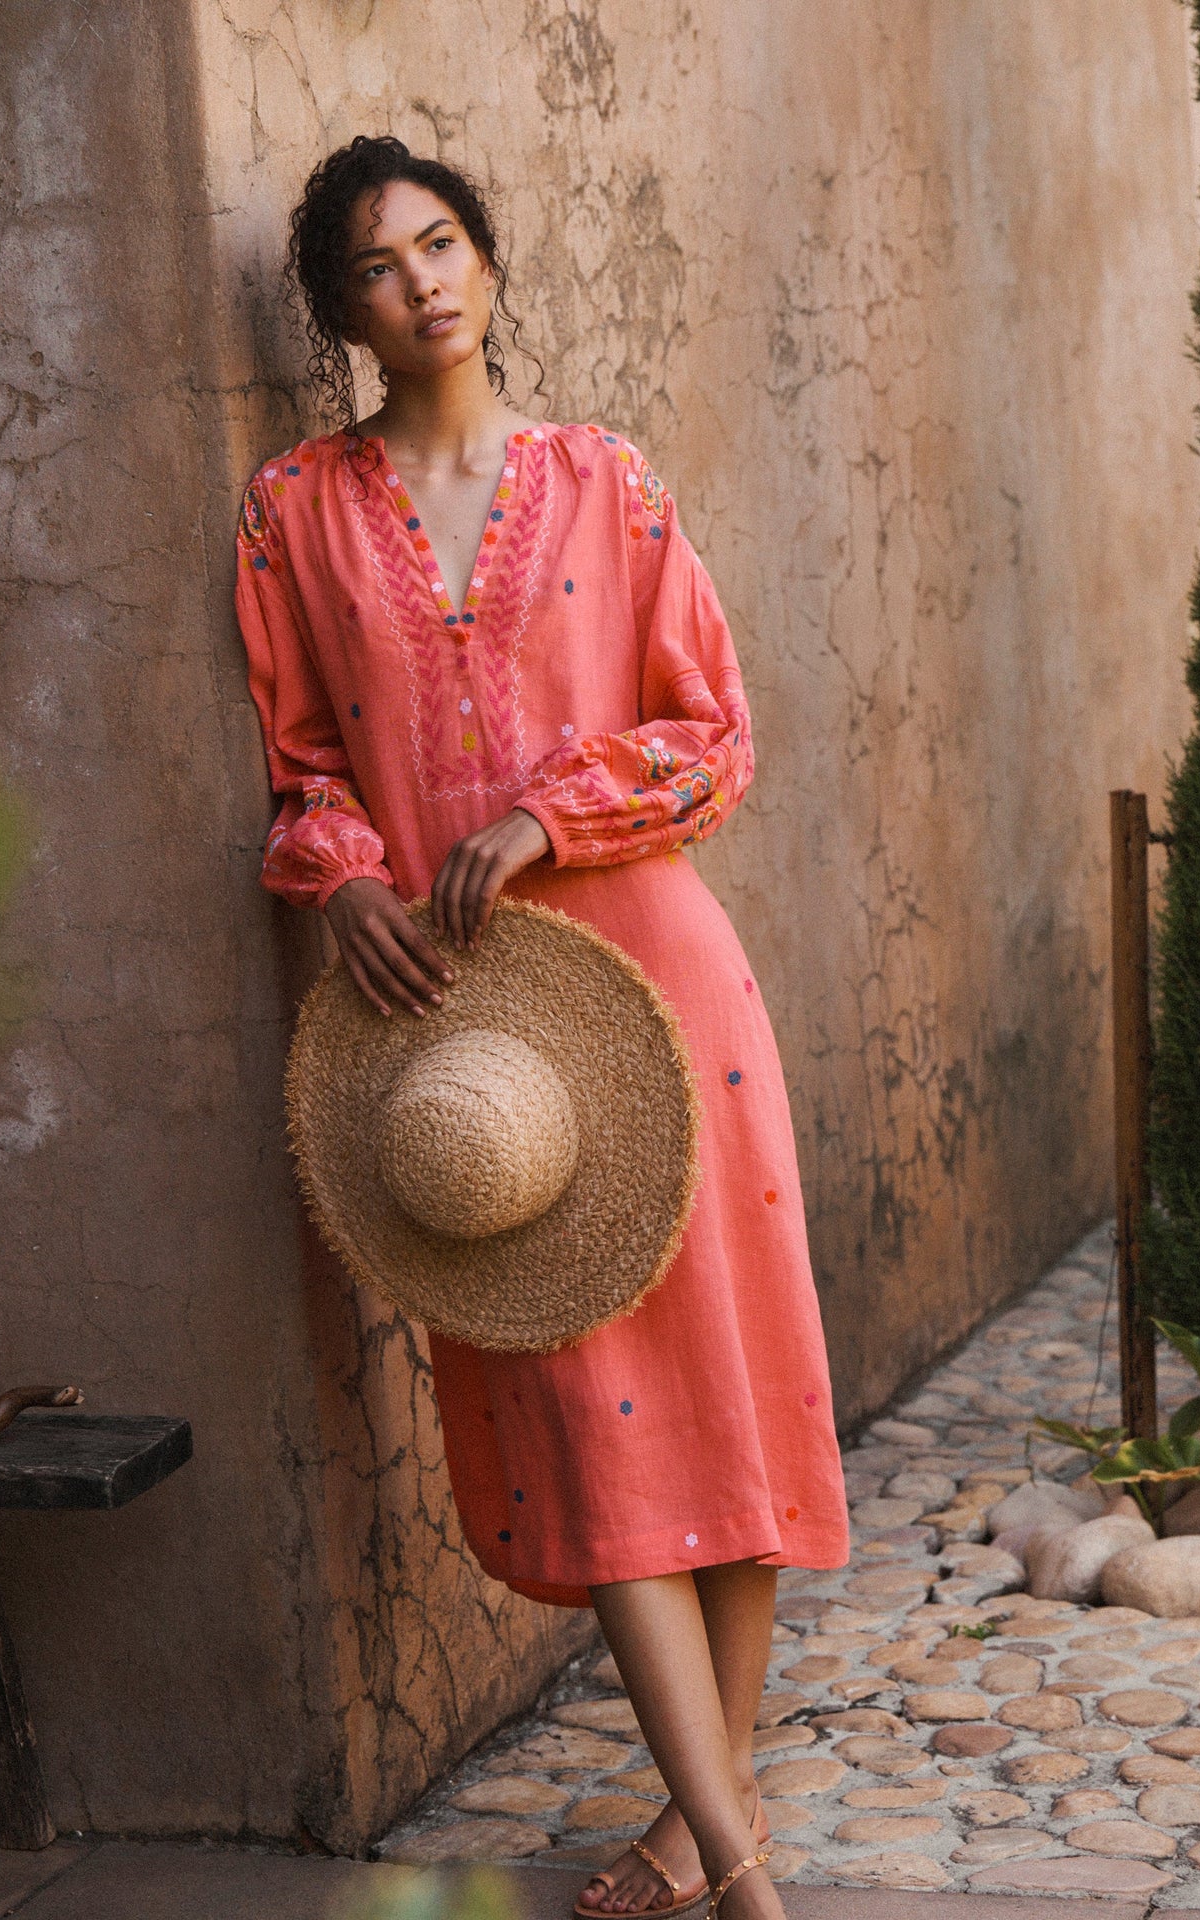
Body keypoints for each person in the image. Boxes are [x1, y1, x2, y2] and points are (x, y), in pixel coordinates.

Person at [235, 135, 849, 1920]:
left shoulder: (604, 481)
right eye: (376, 264)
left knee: (723, 1413)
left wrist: (544, 817)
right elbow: (303, 766)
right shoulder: (291, 514)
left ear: (490, 264)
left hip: (660, 989)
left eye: (445, 244)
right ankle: (741, 1859)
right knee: (595, 1413)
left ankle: (706, 1845)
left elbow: (712, 730)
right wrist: (339, 872)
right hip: (469, 1044)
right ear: (334, 308)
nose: (422, 281)